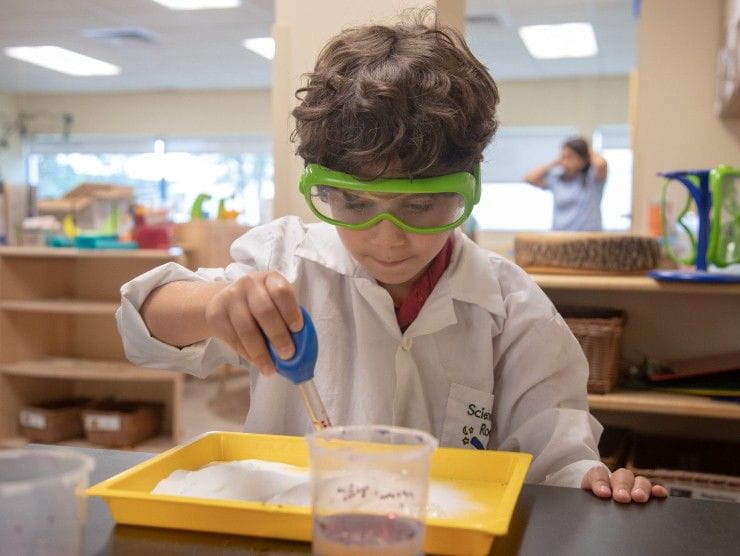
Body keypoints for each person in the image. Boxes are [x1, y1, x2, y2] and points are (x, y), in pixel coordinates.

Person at [117, 16, 665, 504]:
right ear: (322, 188)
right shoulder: (286, 261)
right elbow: (144, 319)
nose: (387, 238)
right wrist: (215, 305)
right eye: (353, 202)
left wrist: (595, 483)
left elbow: (558, 457)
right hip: (294, 531)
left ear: (465, 191)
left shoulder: (512, 307)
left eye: (421, 206)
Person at [524, 137, 608, 231]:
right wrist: (555, 162)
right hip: (561, 238)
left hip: (588, 239)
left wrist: (586, 149)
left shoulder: (592, 179)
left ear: (583, 160)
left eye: (571, 157)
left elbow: (601, 165)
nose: (566, 161)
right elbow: (529, 178)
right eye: (563, 157)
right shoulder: (556, 180)